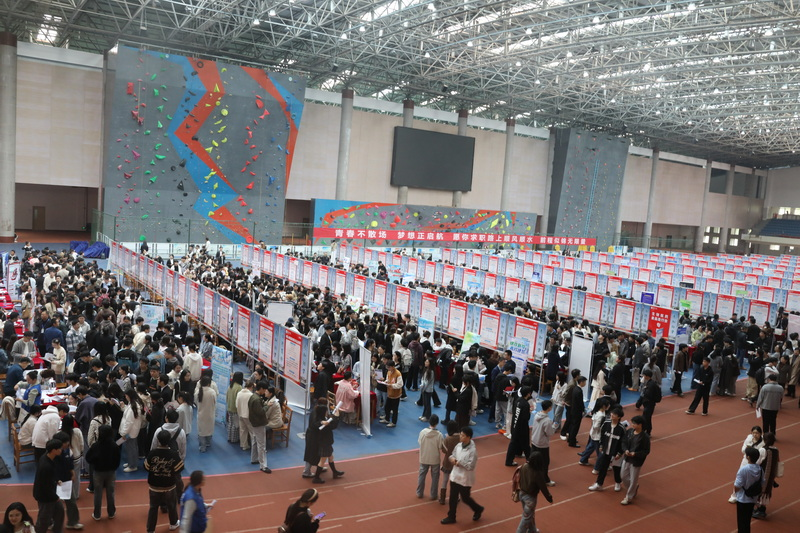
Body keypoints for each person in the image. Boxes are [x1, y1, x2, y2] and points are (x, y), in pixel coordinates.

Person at [441, 426, 484, 525]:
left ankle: (478, 509)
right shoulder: (459, 445)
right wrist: (452, 459)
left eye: (463, 435)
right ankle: (451, 516)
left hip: (465, 478)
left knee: (465, 498)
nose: (460, 436)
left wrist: (458, 463)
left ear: (468, 437)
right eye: (460, 434)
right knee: (453, 497)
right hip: (455, 476)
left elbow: (471, 466)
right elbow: (452, 455)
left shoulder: (472, 451)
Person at [144, 430, 184, 533]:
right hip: (169, 486)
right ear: (169, 441)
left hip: (154, 486)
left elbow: (146, 467)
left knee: (153, 507)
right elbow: (179, 468)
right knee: (171, 506)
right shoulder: (173, 454)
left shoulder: (152, 453)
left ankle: (150, 529)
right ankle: (173, 523)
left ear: (158, 440)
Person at [85, 424, 120, 520]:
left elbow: (88, 458)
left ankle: (97, 514)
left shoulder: (96, 446)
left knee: (98, 494)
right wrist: (114, 467)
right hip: (111, 472)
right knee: (110, 493)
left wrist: (95, 463)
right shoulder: (114, 445)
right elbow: (118, 459)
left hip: (98, 472)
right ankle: (111, 512)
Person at [589, 406, 627, 492]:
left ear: (619, 417)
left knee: (616, 469)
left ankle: (618, 482)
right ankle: (599, 484)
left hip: (616, 453)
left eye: (615, 414)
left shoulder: (622, 429)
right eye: (612, 413)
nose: (612, 415)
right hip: (606, 451)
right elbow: (601, 435)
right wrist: (601, 445)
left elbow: (623, 442)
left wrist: (620, 453)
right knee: (603, 467)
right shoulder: (606, 424)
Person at [515, 451, 553, 533]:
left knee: (529, 515)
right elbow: (543, 488)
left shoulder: (524, 466)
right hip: (530, 498)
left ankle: (532, 530)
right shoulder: (537, 473)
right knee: (526, 518)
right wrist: (549, 498)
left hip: (522, 493)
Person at [33, 439, 65, 533]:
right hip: (45, 498)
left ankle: (57, 530)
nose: (61, 450)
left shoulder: (46, 457)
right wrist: (56, 497)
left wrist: (57, 480)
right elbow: (45, 487)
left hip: (50, 495)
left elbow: (51, 476)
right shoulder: (46, 466)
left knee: (60, 512)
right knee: (44, 520)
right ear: (54, 450)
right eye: (59, 448)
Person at [728, 426, 766, 503]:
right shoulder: (749, 438)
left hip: (756, 463)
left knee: (753, 480)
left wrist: (752, 451)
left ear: (760, 433)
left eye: (757, 433)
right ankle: (734, 496)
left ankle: (753, 495)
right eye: (753, 433)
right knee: (740, 477)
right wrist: (748, 449)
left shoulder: (763, 442)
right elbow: (743, 450)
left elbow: (760, 454)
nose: (755, 435)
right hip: (746, 461)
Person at [619, 415, 650, 505]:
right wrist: (625, 450)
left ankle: (629, 497)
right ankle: (633, 488)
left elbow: (646, 451)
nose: (632, 425)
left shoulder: (645, 437)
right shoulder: (629, 432)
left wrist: (636, 454)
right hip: (627, 457)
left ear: (640, 425)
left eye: (634, 423)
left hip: (636, 461)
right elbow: (624, 442)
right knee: (623, 476)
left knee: (633, 479)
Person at [310, 403, 344, 483]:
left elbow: (329, 421)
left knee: (331, 457)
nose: (327, 412)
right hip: (324, 443)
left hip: (326, 442)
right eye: (326, 411)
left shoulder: (321, 419)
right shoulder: (322, 422)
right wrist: (336, 417)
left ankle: (335, 472)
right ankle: (316, 478)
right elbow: (333, 426)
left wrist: (334, 416)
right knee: (322, 460)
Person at [733, 447, 763, 533]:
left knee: (741, 521)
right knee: (747, 520)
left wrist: (736, 493)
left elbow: (737, 485)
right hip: (752, 498)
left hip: (743, 499)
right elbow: (762, 482)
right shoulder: (760, 469)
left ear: (748, 457)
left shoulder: (743, 469)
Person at [751, 432, 779, 520]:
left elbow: (757, 462)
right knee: (766, 491)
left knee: (759, 491)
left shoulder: (763, 450)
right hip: (770, 475)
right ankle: (761, 508)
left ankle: (760, 510)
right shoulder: (776, 450)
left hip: (762, 474)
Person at [530, 400, 557, 487]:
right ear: (549, 408)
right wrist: (554, 427)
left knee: (534, 461)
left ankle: (532, 476)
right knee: (545, 463)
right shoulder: (547, 421)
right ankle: (545, 480)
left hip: (534, 440)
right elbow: (549, 433)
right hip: (542, 444)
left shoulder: (536, 415)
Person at [417, 414, 444, 500]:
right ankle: (433, 494)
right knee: (435, 477)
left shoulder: (422, 432)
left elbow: (419, 442)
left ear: (429, 422)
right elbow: (440, 447)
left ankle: (419, 493)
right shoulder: (439, 435)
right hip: (434, 459)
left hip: (424, 457)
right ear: (437, 423)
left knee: (422, 475)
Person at [247, 381, 272, 474]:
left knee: (255, 441)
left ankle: (254, 458)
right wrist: (267, 406)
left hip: (254, 422)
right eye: (264, 390)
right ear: (261, 388)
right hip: (259, 423)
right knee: (262, 445)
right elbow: (261, 412)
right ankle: (263, 466)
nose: (265, 391)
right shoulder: (257, 399)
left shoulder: (253, 396)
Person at [505, 386, 533, 467]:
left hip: (514, 425)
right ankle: (530, 460)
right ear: (528, 394)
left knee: (513, 443)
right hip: (522, 428)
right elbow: (526, 418)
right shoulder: (526, 404)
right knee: (526, 445)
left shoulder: (517, 400)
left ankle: (509, 460)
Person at [579, 397, 610, 466]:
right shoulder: (600, 415)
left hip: (593, 433)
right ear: (604, 406)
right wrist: (604, 428)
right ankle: (601, 465)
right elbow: (596, 426)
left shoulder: (598, 412)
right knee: (599, 451)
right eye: (608, 405)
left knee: (590, 448)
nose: (609, 406)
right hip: (597, 435)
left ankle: (583, 460)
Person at [120, 389, 144, 472]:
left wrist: (124, 432)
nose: (125, 397)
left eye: (126, 395)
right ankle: (131, 462)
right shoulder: (133, 404)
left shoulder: (133, 406)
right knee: (132, 448)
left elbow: (129, 422)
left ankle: (132, 466)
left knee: (131, 449)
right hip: (132, 431)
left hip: (130, 431)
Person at [194, 375, 217, 453]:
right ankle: (208, 443)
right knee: (209, 429)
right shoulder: (212, 392)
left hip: (201, 414)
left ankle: (202, 447)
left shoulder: (197, 392)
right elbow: (215, 402)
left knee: (201, 431)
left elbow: (195, 402)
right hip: (210, 414)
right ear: (209, 383)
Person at [379, 360, 403, 427]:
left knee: (395, 409)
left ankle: (393, 422)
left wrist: (391, 385)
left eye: (389, 367)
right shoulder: (389, 372)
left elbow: (400, 384)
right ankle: (387, 419)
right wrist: (385, 382)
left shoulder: (398, 374)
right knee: (387, 407)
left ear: (393, 367)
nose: (387, 368)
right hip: (389, 393)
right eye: (387, 367)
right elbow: (388, 379)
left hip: (396, 394)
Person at [566, 376, 587, 448]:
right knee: (575, 427)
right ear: (581, 382)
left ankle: (570, 438)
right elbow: (580, 402)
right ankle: (572, 441)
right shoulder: (579, 391)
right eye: (584, 382)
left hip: (573, 410)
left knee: (572, 425)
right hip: (577, 411)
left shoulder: (575, 388)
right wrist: (583, 410)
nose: (585, 384)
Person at [638, 369, 659, 434]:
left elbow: (648, 394)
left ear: (647, 376)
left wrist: (644, 391)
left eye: (644, 375)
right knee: (647, 418)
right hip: (649, 403)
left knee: (646, 418)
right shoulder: (651, 383)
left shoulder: (650, 385)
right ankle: (647, 431)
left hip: (649, 403)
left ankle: (645, 430)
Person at [225, 372, 243, 444]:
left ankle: (229, 437)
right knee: (235, 425)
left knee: (230, 423)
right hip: (235, 409)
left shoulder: (230, 386)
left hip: (229, 407)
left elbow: (227, 396)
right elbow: (239, 399)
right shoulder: (239, 387)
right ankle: (234, 439)